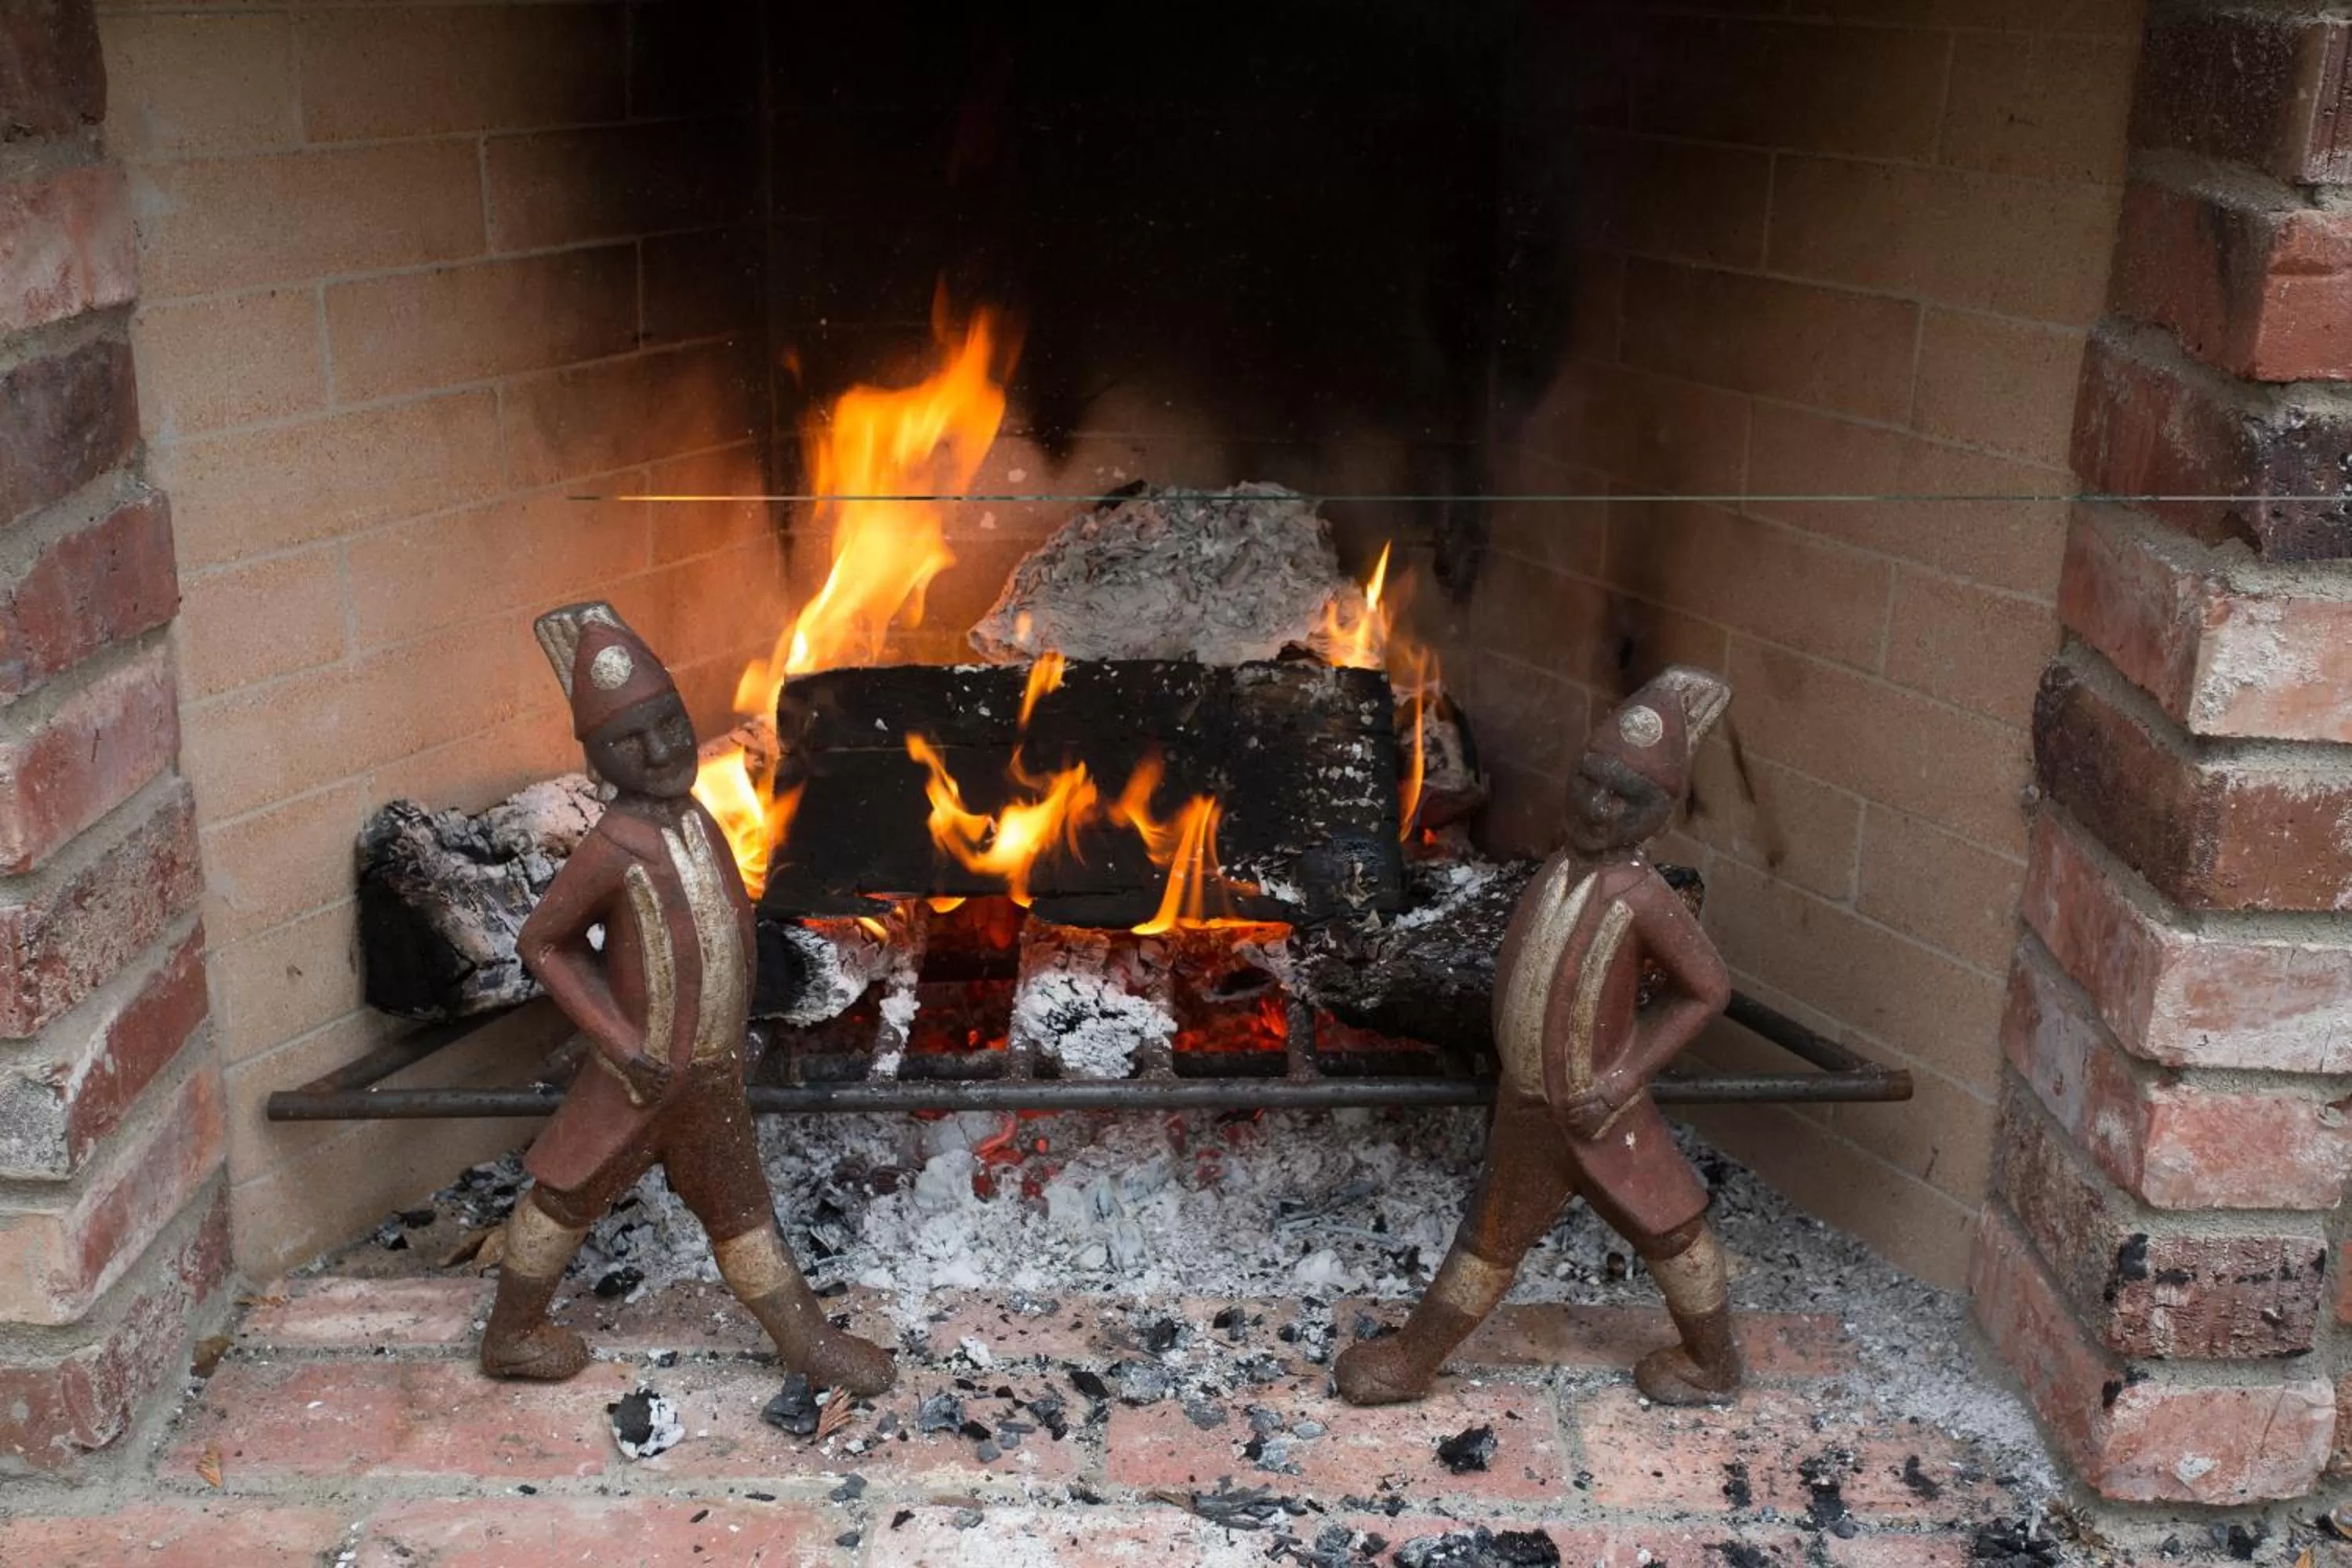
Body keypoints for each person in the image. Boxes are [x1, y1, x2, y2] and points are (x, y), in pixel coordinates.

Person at [477, 601, 895, 1396]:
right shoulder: (611, 847)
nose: (663, 749)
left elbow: (722, 937)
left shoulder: (699, 820)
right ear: (598, 755)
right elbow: (543, 942)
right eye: (631, 740)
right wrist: (618, 1039)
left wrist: (732, 1033)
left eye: (670, 723)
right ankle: (513, 1331)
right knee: (564, 1198)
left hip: (706, 1077)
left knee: (743, 1212)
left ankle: (804, 1339)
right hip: (636, 1078)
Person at [1334, 666, 1740, 1407]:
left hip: (1600, 1113)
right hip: (1532, 1111)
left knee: (1672, 1232)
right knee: (1487, 1241)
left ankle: (1714, 1361)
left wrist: (1620, 1080)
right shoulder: (1559, 870)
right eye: (1589, 781)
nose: (1598, 806)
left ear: (1660, 817)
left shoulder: (1643, 896)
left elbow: (1708, 989)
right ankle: (1414, 1359)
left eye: (1626, 799)